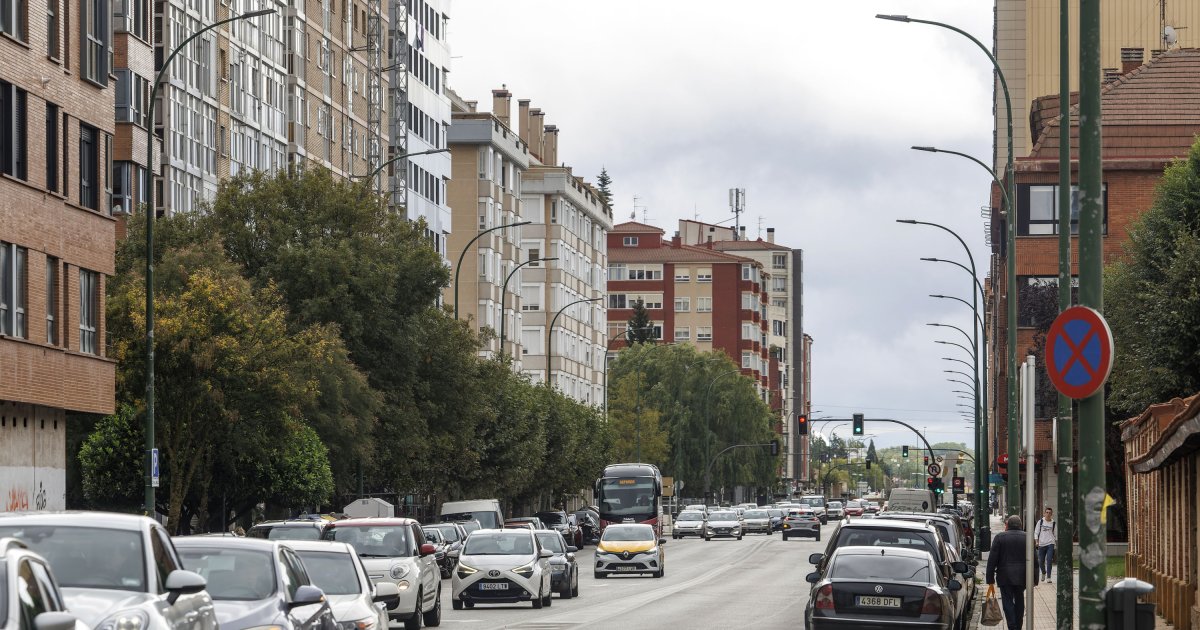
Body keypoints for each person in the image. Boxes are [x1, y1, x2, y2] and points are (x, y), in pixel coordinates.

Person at [987, 515, 1038, 630]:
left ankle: (1012, 625)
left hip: (1004, 576)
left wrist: (990, 578)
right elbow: (1035, 560)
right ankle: (1018, 625)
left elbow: (992, 559)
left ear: (1007, 525)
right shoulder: (1028, 537)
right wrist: (1035, 578)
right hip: (1022, 576)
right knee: (1019, 599)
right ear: (1020, 525)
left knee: (1007, 601)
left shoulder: (1000, 537)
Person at [1034, 507, 1056, 582]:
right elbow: (1036, 532)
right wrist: (1037, 541)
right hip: (1041, 543)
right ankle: (1043, 572)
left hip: (1050, 543)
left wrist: (1056, 544)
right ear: (1044, 513)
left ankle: (1049, 577)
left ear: (1051, 514)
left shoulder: (1053, 523)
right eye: (1047, 512)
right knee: (1040, 561)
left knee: (1049, 560)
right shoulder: (1040, 522)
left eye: (1050, 513)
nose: (1048, 514)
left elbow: (1055, 535)